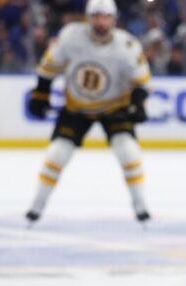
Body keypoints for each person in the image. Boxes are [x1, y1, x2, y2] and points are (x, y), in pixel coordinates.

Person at [24, 0, 152, 225]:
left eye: (106, 17)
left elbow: (141, 83)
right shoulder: (71, 37)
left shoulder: (127, 45)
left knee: (128, 151)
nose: (100, 22)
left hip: (114, 106)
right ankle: (37, 206)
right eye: (96, 16)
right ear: (87, 17)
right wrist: (40, 95)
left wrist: (138, 105)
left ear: (114, 19)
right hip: (77, 106)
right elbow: (48, 70)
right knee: (57, 154)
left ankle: (140, 206)